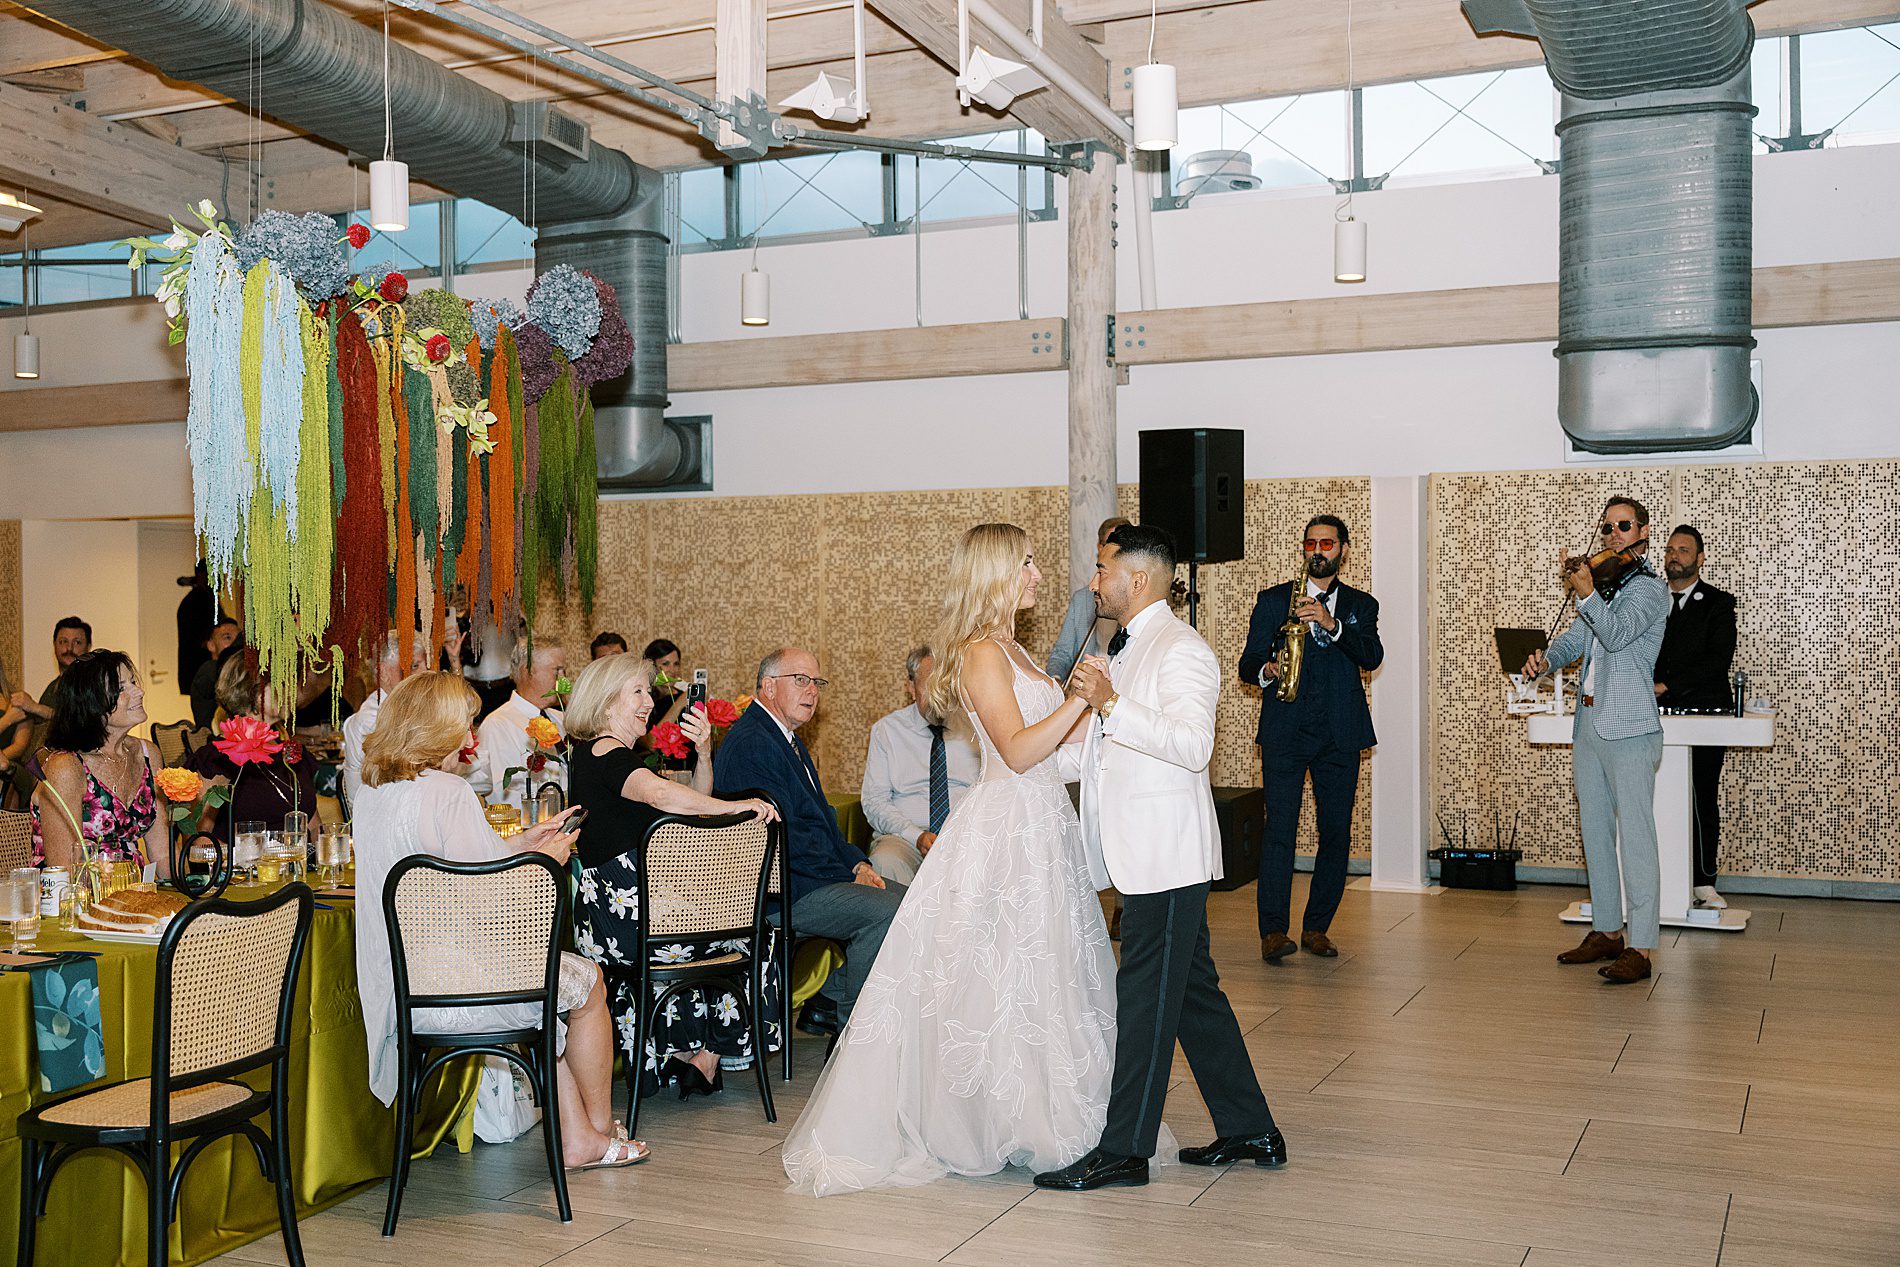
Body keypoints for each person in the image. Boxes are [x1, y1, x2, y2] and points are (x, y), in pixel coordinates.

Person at [784, 522, 1113, 1196]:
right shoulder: (977, 653)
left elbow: (1056, 752)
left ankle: (1037, 1111)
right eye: (1027, 562)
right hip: (1005, 825)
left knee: (1042, 972)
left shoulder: (1015, 650)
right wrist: (1077, 699)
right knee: (990, 977)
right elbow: (1018, 751)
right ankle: (984, 1118)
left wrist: (1097, 711)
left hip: (1043, 822)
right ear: (995, 570)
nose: (1038, 576)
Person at [1034, 523, 1281, 1193]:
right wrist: (1026, 765)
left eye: (1101, 568)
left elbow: (1192, 744)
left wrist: (1109, 700)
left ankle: (1124, 1149)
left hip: (1166, 860)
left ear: (1135, 578)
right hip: (1140, 854)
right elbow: (1096, 749)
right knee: (1193, 994)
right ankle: (1249, 1125)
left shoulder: (1183, 649)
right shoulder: (1122, 646)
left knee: (1142, 1001)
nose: (1092, 582)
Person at [351, 671, 644, 1170]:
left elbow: (446, 868)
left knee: (552, 981)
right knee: (587, 981)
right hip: (468, 991)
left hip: (406, 987)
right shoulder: (447, 791)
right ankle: (594, 1131)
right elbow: (495, 900)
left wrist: (525, 841)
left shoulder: (372, 794)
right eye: (465, 727)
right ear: (436, 729)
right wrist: (548, 861)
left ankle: (579, 1134)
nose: (470, 740)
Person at [563, 653, 783, 1099]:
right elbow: (663, 793)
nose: (650, 701)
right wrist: (736, 807)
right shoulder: (605, 752)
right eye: (638, 692)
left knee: (723, 929)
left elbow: (687, 798)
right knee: (754, 934)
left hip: (640, 909)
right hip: (626, 912)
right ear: (607, 704)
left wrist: (704, 753)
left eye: (649, 691)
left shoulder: (617, 755)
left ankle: (689, 1054)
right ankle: (703, 1053)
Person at [714, 647, 903, 1038]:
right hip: (777, 891)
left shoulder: (785, 739)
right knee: (889, 912)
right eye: (800, 680)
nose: (812, 691)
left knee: (917, 904)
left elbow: (824, 822)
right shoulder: (753, 742)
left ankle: (828, 998)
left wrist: (856, 864)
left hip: (805, 877)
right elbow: (783, 837)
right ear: (768, 687)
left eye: (817, 682)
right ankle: (853, 1037)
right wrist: (846, 876)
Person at [1523, 495, 1671, 986]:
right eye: (1606, 528)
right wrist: (1544, 660)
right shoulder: (1605, 586)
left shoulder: (1650, 589)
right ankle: (1608, 931)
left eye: (1623, 526)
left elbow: (1615, 635)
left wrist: (1587, 594)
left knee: (1637, 839)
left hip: (1630, 728)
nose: (1613, 535)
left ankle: (1643, 945)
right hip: (1588, 726)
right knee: (1595, 833)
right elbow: (1580, 639)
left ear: (1643, 532)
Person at [1238, 515, 1384, 961]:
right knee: (1278, 831)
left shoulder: (1362, 604)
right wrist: (1268, 670)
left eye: (1327, 543)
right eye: (1311, 543)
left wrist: (1330, 622)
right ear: (1303, 549)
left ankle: (1317, 927)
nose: (1318, 550)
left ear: (1343, 549)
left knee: (1335, 833)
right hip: (1286, 730)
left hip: (1340, 734)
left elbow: (1372, 655)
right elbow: (1247, 664)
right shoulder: (1273, 600)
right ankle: (1273, 932)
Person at [1652, 523, 1738, 910]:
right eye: (1670, 549)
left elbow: (1716, 660)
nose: (1674, 556)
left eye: (1683, 550)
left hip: (1704, 712)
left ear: (1700, 559)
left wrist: (1667, 687)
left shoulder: (1719, 604)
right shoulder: (1650, 602)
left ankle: (1703, 882)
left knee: (1702, 795)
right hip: (1650, 715)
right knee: (1648, 797)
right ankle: (1653, 878)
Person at [31, 650, 172, 879]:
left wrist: (197, 885)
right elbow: (65, 870)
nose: (139, 691)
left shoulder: (147, 754)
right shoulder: (66, 767)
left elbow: (163, 856)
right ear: (91, 704)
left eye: (133, 682)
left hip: (132, 896)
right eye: (122, 688)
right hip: (72, 902)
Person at [858, 645, 980, 884]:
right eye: (930, 687)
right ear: (911, 688)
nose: (939, 696)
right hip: (905, 839)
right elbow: (875, 801)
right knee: (885, 860)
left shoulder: (975, 729)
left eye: (944, 686)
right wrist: (916, 836)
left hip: (966, 836)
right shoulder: (887, 731)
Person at [184, 655, 320, 843]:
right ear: (250, 690)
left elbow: (313, 828)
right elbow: (199, 841)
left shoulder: (291, 752)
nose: (293, 691)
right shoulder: (217, 760)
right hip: (243, 868)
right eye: (282, 683)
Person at [478, 636, 567, 811]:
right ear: (529, 671)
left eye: (564, 671)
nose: (564, 679)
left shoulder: (560, 718)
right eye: (557, 670)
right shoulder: (498, 725)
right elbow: (501, 796)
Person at [1045, 516, 1131, 683]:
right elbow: (1063, 653)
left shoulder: (1135, 598)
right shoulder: (1082, 599)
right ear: (1100, 548)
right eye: (1111, 544)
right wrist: (1055, 682)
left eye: (1123, 546)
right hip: (1086, 693)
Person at [15, 617, 92, 737]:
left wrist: (34, 707)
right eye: (63, 641)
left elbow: (78, 722)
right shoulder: (53, 686)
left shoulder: (92, 684)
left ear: (88, 647)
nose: (69, 648)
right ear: (54, 645)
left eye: (77, 642)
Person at [189, 618, 242, 728]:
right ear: (211, 645)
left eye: (238, 638)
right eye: (227, 638)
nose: (235, 643)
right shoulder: (209, 670)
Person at [175, 562, 221, 688]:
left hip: (204, 670)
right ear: (201, 576)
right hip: (200, 670)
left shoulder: (206, 598)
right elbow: (197, 639)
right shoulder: (193, 603)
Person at [641, 638, 692, 728]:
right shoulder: (644, 700)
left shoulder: (684, 697)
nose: (672, 670)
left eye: (676, 664)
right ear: (651, 666)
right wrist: (679, 704)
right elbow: (649, 741)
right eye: (665, 664)